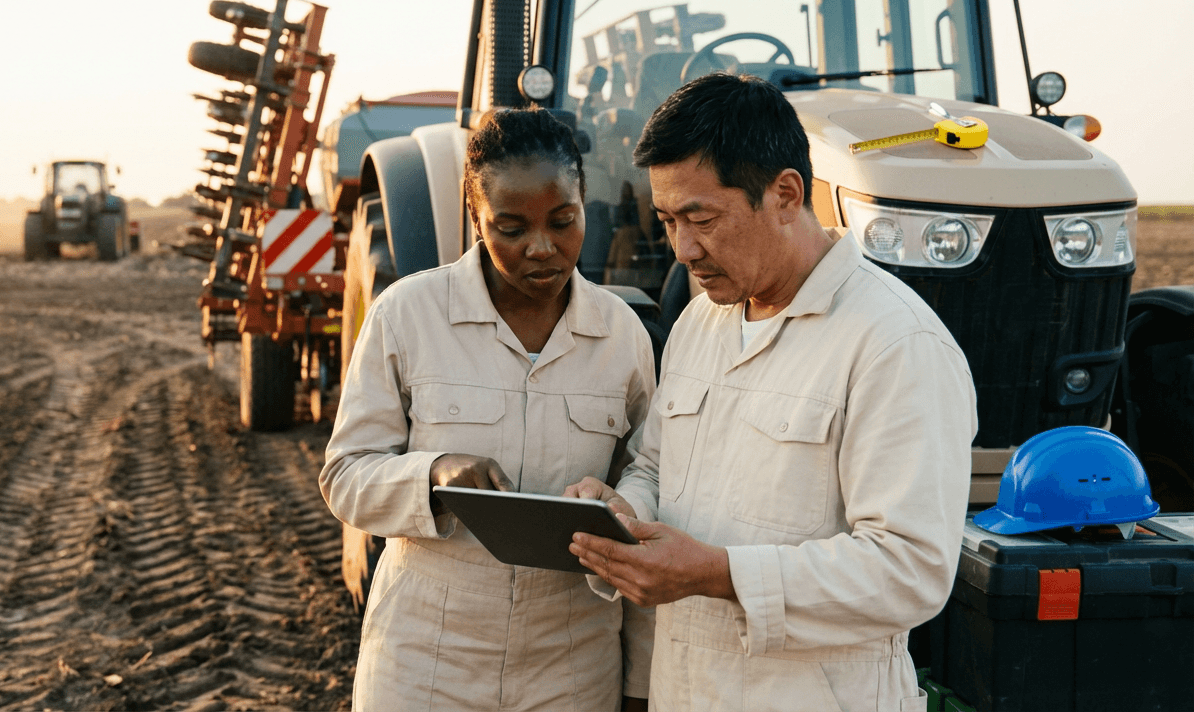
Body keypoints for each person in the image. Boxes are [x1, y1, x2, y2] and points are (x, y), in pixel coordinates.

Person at [567, 73, 975, 711]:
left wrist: (720, 573)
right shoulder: (702, 322)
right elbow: (654, 464)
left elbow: (910, 571)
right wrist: (623, 513)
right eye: (669, 220)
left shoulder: (896, 344)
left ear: (786, 193)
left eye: (702, 218)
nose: (683, 249)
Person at [321, 107, 656, 711]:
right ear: (476, 219)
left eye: (563, 222)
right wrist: (433, 474)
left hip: (572, 658)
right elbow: (345, 476)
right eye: (510, 227)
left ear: (585, 206)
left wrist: (623, 503)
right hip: (428, 652)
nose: (541, 248)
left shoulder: (622, 333)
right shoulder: (407, 315)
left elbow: (651, 469)